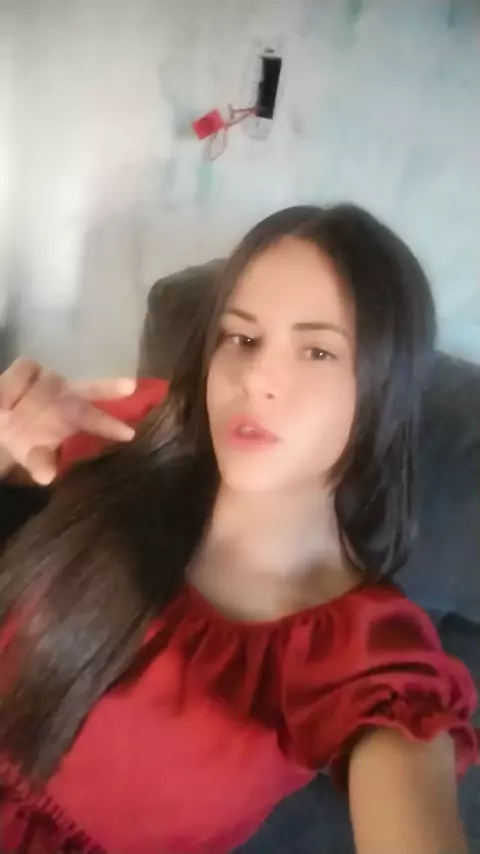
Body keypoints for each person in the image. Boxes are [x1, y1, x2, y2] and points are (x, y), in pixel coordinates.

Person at [0, 204, 478, 854]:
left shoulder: (368, 658)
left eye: (317, 351)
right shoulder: (144, 429)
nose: (256, 379)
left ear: (383, 390)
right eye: (242, 339)